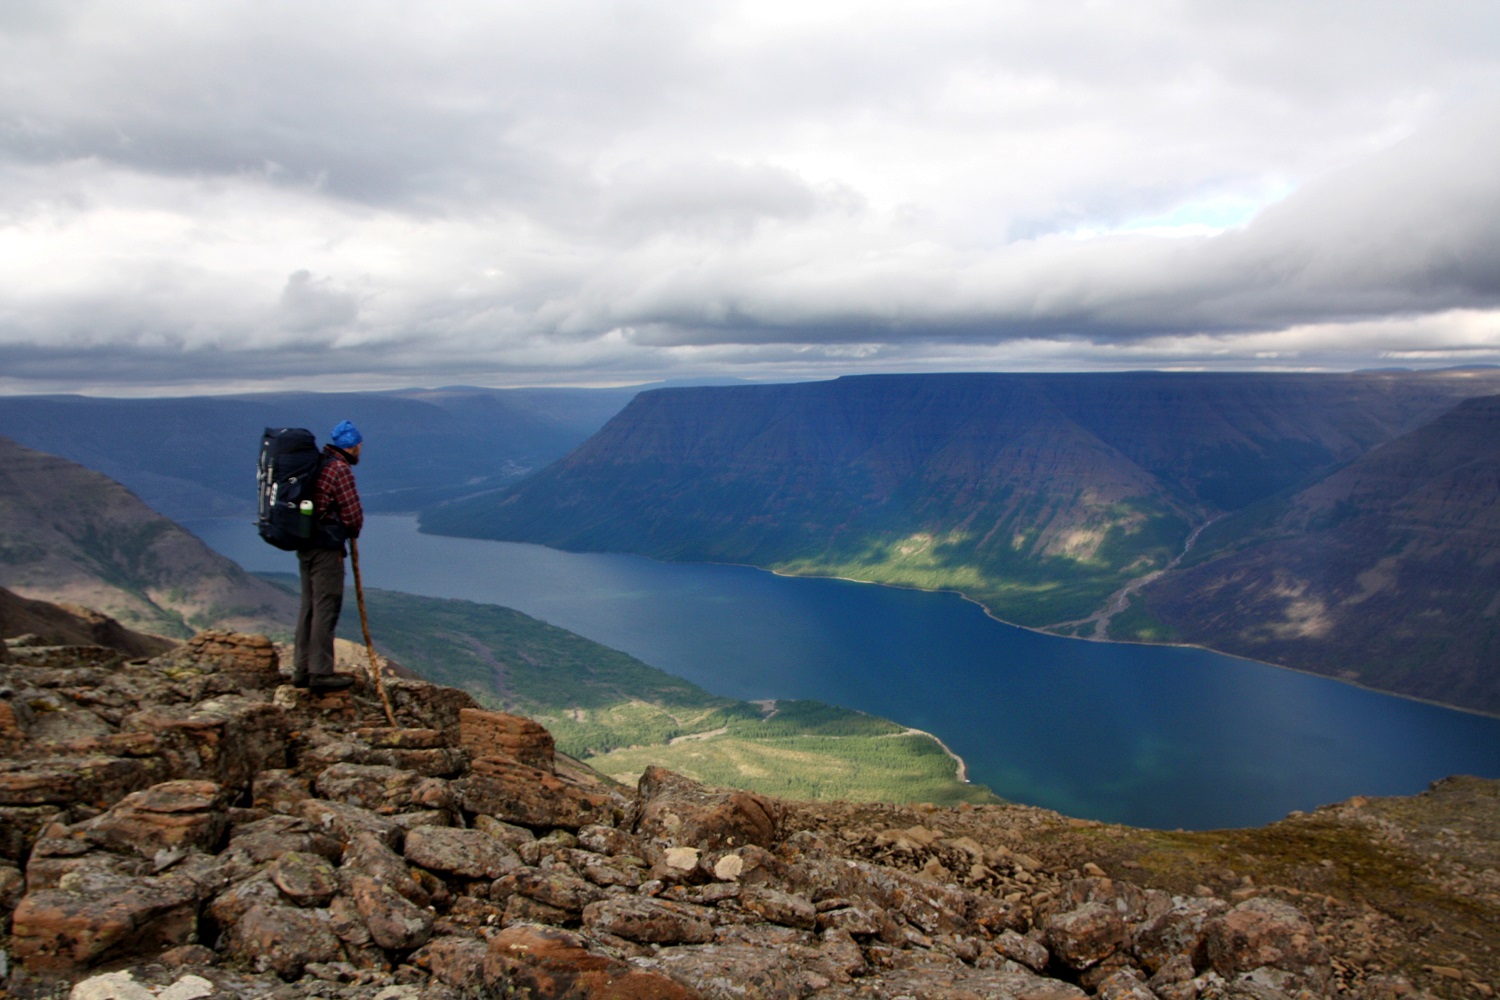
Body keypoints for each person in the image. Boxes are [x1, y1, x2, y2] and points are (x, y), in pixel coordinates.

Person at [293, 419, 365, 691]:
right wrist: (353, 529)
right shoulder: (339, 469)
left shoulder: (317, 464)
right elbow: (352, 515)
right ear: (353, 446)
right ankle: (321, 674)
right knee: (326, 607)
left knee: (308, 606)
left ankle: (301, 669)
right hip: (326, 550)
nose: (360, 451)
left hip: (306, 546)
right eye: (359, 447)